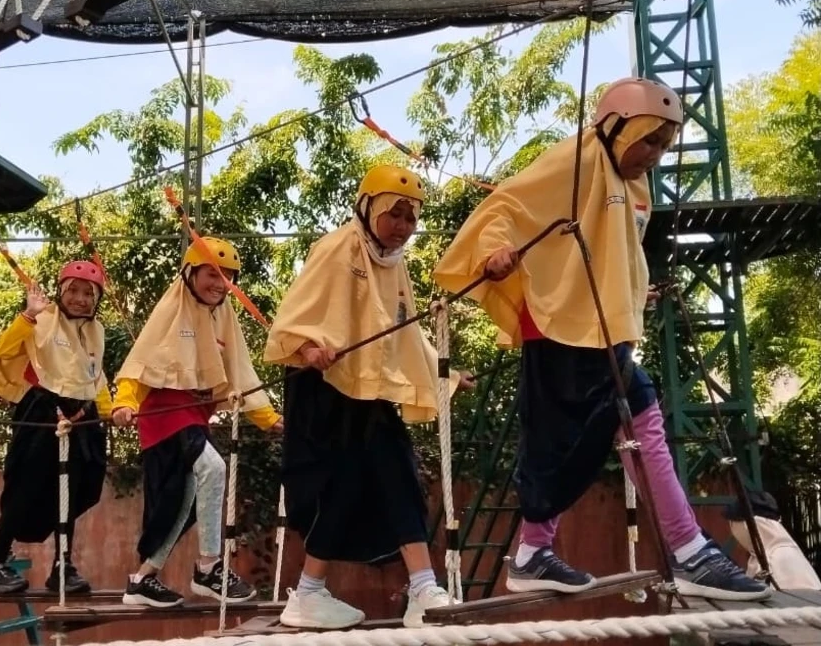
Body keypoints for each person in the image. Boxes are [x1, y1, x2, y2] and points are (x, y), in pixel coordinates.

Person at [434, 76, 769, 601]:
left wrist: (634, 296)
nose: (655, 155)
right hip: (560, 329)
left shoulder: (631, 184)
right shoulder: (577, 158)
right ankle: (553, 552)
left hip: (601, 332)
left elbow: (617, 256)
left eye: (665, 144)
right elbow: (505, 207)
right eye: (649, 140)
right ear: (616, 127)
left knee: (640, 419)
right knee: (560, 447)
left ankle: (679, 550)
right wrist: (491, 254)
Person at [264, 165, 475, 630]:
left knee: (397, 471)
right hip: (321, 386)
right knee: (337, 489)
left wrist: (445, 372)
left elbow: (402, 330)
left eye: (410, 217)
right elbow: (294, 316)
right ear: (368, 208)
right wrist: (307, 346)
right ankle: (309, 594)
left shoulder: (394, 264)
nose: (402, 226)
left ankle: (422, 589)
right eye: (393, 214)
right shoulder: (338, 247)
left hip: (367, 390)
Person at [111, 238, 284, 608]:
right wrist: (124, 401)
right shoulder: (171, 309)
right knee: (214, 466)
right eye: (213, 274)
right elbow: (141, 361)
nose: (220, 284)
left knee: (183, 501)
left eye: (228, 277)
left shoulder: (224, 315)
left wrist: (266, 417)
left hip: (195, 415)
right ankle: (209, 567)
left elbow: (240, 369)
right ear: (190, 273)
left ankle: (140, 580)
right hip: (165, 412)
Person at [0, 261, 110, 595]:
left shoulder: (96, 331)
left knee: (76, 490)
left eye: (88, 293)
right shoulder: (42, 319)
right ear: (60, 292)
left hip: (81, 417)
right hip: (42, 412)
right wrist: (28, 315)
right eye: (73, 291)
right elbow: (4, 353)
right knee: (25, 484)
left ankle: (62, 566)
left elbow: (94, 377)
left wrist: (109, 409)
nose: (80, 299)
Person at [724, 490, 821, 590]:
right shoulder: (774, 552)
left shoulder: (774, 559)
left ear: (744, 526)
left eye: (733, 524)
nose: (732, 532)